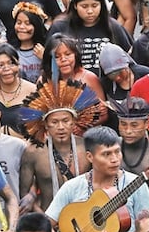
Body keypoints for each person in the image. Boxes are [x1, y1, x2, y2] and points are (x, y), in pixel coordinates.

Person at [17, 77, 100, 213]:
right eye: (54, 122)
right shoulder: (33, 153)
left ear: (74, 122)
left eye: (65, 121)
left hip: (85, 219)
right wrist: (46, 220)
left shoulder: (87, 147)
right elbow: (24, 197)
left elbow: (102, 185)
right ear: (45, 125)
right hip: (47, 220)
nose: (60, 127)